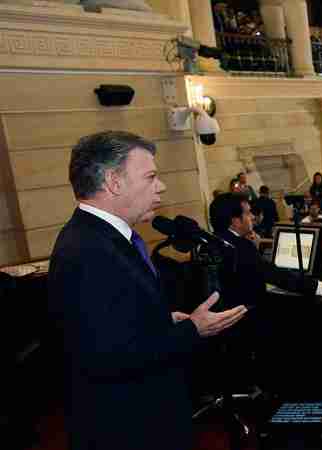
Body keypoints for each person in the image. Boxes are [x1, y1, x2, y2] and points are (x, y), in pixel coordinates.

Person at [49, 131, 249, 450]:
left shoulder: (103, 238)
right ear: (114, 181)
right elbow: (107, 356)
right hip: (129, 425)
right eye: (151, 176)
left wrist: (162, 319)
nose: (161, 186)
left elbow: (107, 321)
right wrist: (193, 329)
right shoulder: (88, 250)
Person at [210, 192, 322, 303]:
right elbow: (276, 276)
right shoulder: (240, 247)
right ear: (235, 221)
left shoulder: (215, 240)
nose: (253, 217)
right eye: (248, 213)